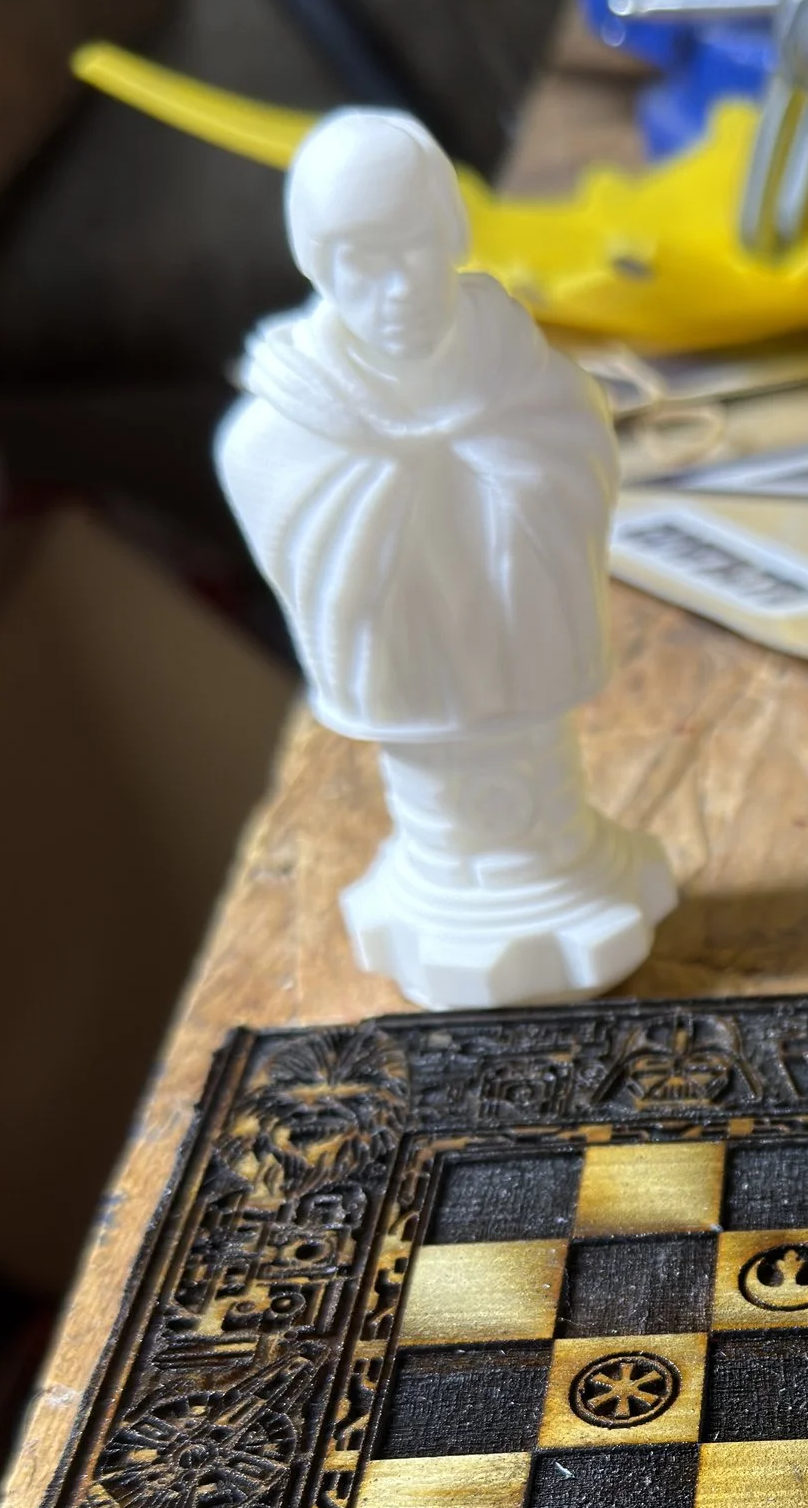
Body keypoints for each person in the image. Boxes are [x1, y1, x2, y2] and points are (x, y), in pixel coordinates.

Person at [216, 111, 672, 1006]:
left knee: (545, 806)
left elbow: (570, 451)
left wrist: (499, 488)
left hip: (541, 759)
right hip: (428, 771)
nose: (399, 285)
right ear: (319, 265)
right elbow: (283, 502)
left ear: (452, 238)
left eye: (417, 246)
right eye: (362, 259)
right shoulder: (282, 435)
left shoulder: (526, 378)